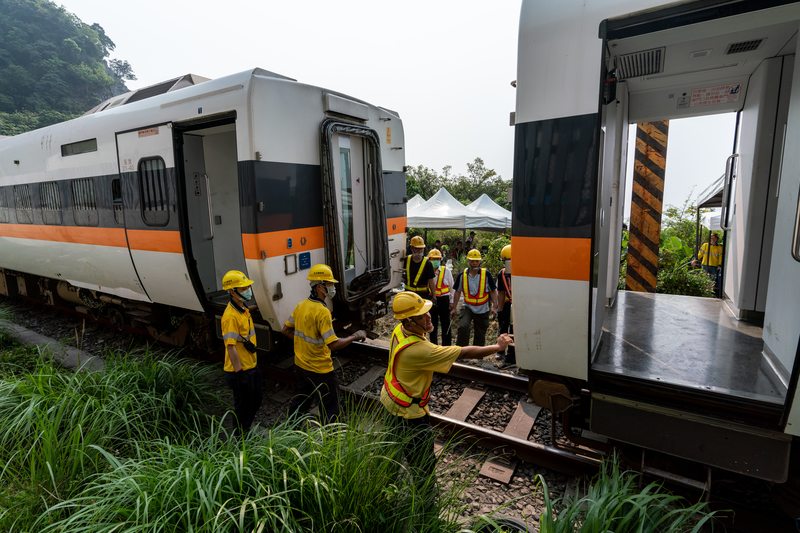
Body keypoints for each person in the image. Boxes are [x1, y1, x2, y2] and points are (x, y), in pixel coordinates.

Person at [381, 291, 512, 504]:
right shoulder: (421, 350)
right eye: (421, 315)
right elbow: (464, 352)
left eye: (427, 311)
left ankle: (386, 498)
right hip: (410, 416)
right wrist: (497, 347)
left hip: (390, 402)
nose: (429, 316)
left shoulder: (399, 330)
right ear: (409, 322)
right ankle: (427, 511)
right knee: (423, 467)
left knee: (391, 456)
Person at [282, 264, 366, 423]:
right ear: (320, 287)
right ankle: (331, 441)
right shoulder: (322, 311)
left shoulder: (301, 306)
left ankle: (290, 430)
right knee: (330, 408)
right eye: (330, 284)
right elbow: (333, 344)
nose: (333, 287)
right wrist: (355, 336)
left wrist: (304, 344)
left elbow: (285, 330)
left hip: (301, 365)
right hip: (320, 369)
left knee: (301, 402)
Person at [221, 270, 264, 436]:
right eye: (243, 288)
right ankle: (240, 439)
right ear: (233, 292)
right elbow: (230, 347)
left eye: (248, 286)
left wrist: (259, 306)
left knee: (256, 399)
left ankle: (245, 430)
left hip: (251, 365)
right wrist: (240, 373)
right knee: (243, 406)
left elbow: (247, 312)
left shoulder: (241, 308)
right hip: (240, 370)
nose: (248, 290)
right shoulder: (230, 317)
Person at [450, 249, 498, 347]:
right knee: (463, 327)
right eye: (472, 261)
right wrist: (454, 308)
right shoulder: (462, 275)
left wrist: (494, 307)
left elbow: (493, 291)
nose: (475, 263)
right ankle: (462, 353)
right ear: (468, 261)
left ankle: (478, 356)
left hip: (482, 308)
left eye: (477, 261)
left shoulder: (486, 274)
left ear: (480, 261)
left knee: (480, 333)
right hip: (468, 307)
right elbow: (457, 292)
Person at [427, 249, 453, 346]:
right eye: (433, 259)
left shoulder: (446, 271)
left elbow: (452, 287)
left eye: (438, 259)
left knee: (446, 324)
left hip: (444, 300)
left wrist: (452, 302)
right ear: (429, 260)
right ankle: (433, 345)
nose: (436, 261)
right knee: (432, 324)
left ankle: (447, 347)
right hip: (431, 300)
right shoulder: (426, 270)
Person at [496, 245, 515, 367]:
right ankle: (500, 350)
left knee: (514, 330)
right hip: (509, 303)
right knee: (503, 326)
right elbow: (501, 293)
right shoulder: (502, 274)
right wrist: (500, 310)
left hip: (520, 305)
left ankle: (511, 357)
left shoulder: (522, 272)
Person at [405, 235, 436, 299]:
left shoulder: (428, 263)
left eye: (421, 249)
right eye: (417, 249)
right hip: (408, 295)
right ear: (412, 249)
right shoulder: (406, 260)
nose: (419, 251)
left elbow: (431, 281)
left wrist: (434, 296)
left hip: (422, 296)